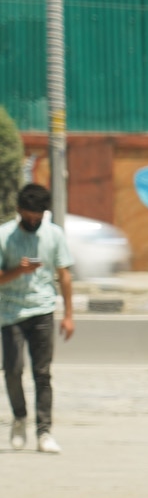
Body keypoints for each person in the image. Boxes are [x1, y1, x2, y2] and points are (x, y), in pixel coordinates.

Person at [1, 183, 75, 454]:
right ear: (20, 210)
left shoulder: (54, 235)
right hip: (10, 312)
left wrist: (68, 314)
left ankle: (44, 431)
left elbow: (64, 275)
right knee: (12, 370)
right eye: (30, 214)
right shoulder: (4, 235)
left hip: (42, 310)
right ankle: (19, 417)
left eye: (39, 215)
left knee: (42, 374)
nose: (34, 220)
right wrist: (16, 271)